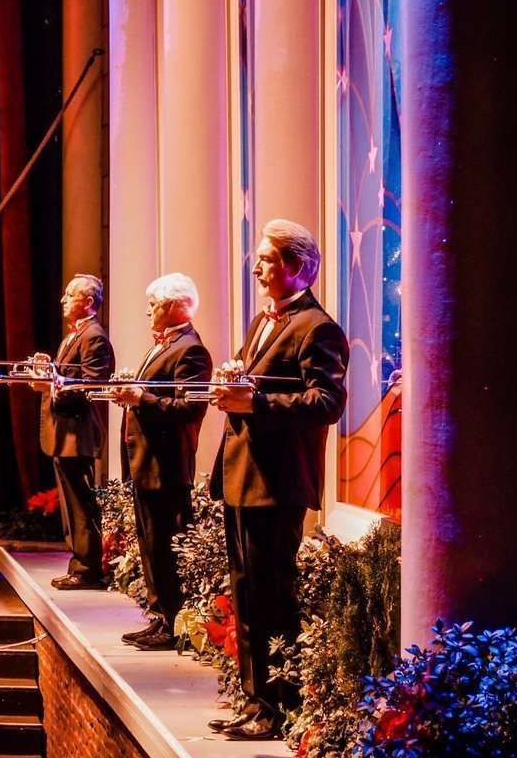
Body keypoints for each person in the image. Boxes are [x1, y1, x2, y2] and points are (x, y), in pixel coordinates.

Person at [207, 219, 348, 741]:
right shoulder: (262, 321)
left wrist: (257, 400)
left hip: (277, 484)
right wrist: (233, 383)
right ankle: (255, 700)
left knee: (273, 596)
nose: (257, 265)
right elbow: (251, 388)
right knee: (246, 594)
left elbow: (327, 404)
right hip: (243, 476)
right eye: (259, 258)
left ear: (298, 267)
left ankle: (280, 707)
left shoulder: (317, 327)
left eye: (267, 258)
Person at [111, 273, 212, 650]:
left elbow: (188, 409)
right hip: (146, 462)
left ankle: (172, 623)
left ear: (172, 307)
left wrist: (141, 399)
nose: (148, 311)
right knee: (150, 543)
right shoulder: (164, 345)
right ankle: (159, 616)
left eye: (153, 304)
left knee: (163, 544)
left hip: (166, 465)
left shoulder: (191, 350)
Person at [33, 274, 114, 589]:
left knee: (81, 503)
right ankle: (78, 562)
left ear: (88, 302)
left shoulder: (94, 336)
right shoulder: (73, 336)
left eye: (70, 295)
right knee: (71, 503)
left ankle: (87, 568)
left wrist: (53, 387)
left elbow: (91, 384)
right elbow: (65, 376)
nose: (62, 300)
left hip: (78, 432)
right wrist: (45, 371)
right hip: (64, 432)